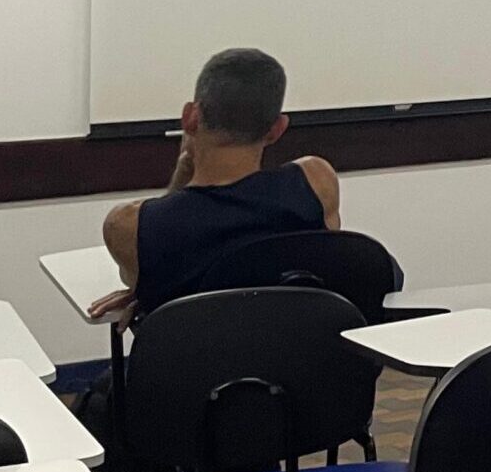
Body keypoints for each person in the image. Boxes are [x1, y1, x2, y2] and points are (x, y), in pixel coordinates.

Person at [92, 47, 341, 323]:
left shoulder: (130, 227)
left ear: (190, 117)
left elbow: (142, 280)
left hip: (193, 364)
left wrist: (183, 168)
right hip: (304, 359)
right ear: (277, 129)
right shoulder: (317, 184)